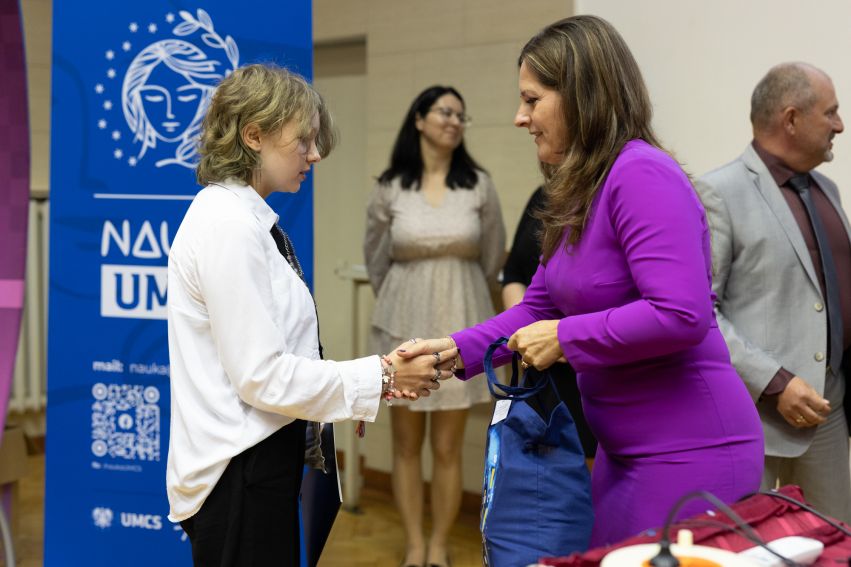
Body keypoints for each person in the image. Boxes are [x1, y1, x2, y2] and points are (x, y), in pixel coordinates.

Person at [401, 15, 764, 547]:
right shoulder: (583, 188)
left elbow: (680, 314)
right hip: (621, 452)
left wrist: (567, 339)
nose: (519, 117)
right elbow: (537, 307)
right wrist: (453, 352)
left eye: (532, 100)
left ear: (581, 95)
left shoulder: (642, 173)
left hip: (691, 451)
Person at [165, 63, 458, 567]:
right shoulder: (228, 226)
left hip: (256, 463)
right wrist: (381, 376)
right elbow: (262, 376)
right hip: (239, 472)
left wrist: (374, 378)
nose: (315, 154)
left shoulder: (246, 220)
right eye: (303, 140)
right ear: (253, 135)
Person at [695, 62, 851, 523]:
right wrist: (775, 381)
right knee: (748, 546)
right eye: (831, 113)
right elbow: (703, 312)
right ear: (791, 119)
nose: (839, 126)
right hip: (755, 412)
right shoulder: (718, 192)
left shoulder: (828, 190)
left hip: (829, 408)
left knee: (835, 541)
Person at [364, 85, 505, 567]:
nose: (454, 121)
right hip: (402, 320)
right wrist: (405, 297)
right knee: (405, 445)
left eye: (462, 115)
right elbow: (376, 258)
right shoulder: (390, 185)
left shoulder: (479, 184)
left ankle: (440, 547)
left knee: (447, 447)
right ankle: (414, 547)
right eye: (445, 112)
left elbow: (492, 260)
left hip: (461, 319)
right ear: (419, 119)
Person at [502, 185, 597, 461]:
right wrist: (526, 334)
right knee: (540, 476)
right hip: (536, 364)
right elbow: (516, 277)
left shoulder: (615, 196)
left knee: (586, 477)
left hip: (589, 366)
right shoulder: (547, 195)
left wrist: (562, 336)